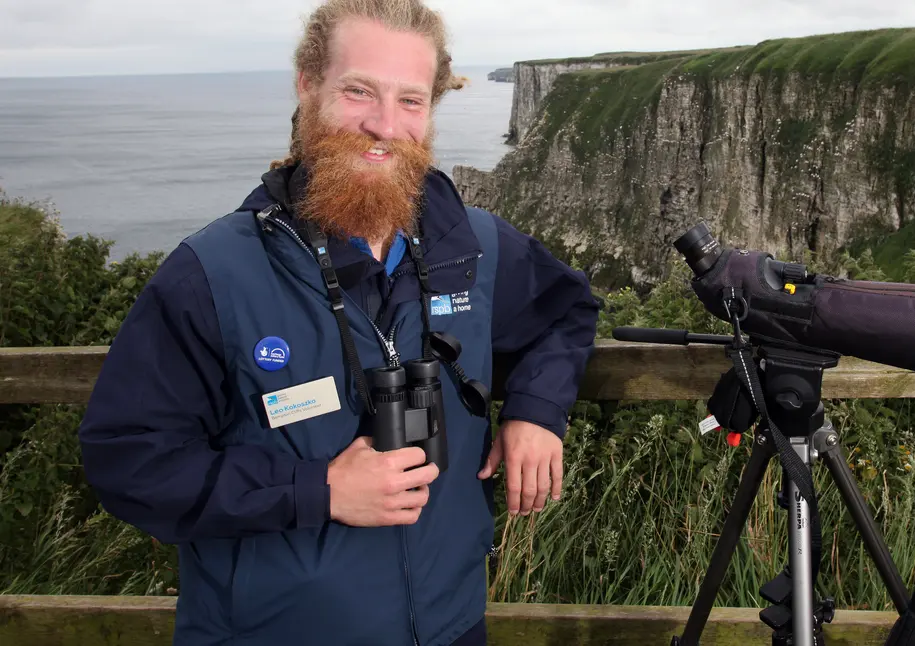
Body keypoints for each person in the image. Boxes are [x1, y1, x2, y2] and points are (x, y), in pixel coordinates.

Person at [76, 1, 600, 644]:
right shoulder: (210, 276)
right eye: (359, 91)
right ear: (307, 84)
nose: (384, 125)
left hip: (450, 625)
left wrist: (537, 410)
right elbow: (130, 462)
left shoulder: (474, 248)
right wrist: (316, 489)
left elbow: (565, 313)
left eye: (411, 100)